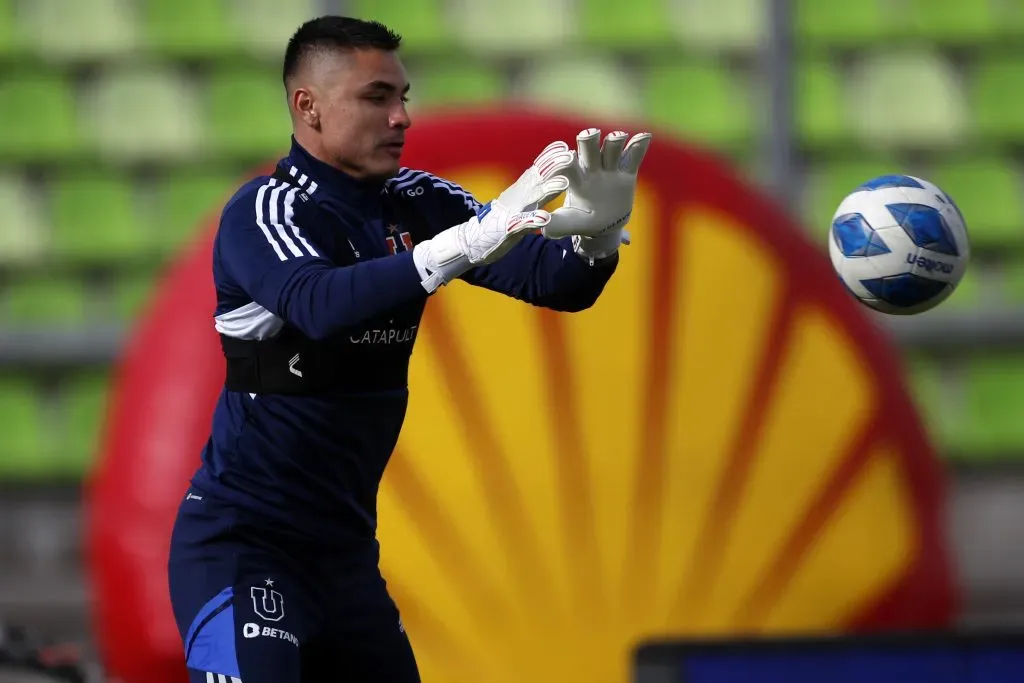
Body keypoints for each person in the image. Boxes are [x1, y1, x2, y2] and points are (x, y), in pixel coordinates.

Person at [166, 15, 651, 683]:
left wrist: (597, 236)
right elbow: (318, 303)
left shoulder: (419, 202)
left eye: (404, 97)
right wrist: (467, 244)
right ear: (307, 106)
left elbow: (554, 283)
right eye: (376, 98)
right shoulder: (265, 211)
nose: (401, 118)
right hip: (245, 547)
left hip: (344, 562)